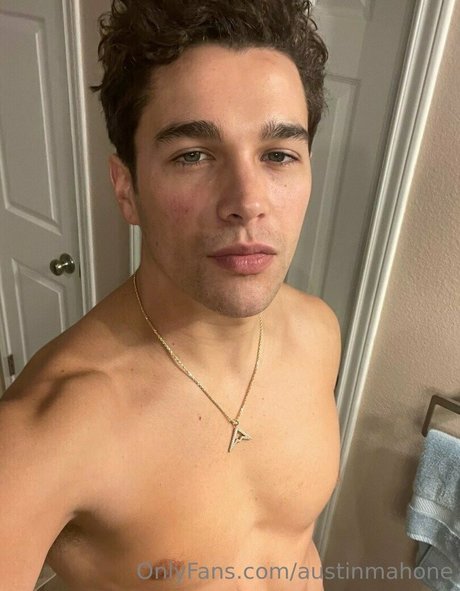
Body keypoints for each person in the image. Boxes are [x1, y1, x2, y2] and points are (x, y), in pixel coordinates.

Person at [0, 0, 342, 589]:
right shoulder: (45, 432)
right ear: (126, 189)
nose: (248, 201)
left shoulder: (320, 333)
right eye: (193, 155)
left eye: (278, 154)